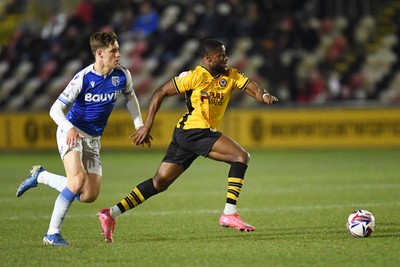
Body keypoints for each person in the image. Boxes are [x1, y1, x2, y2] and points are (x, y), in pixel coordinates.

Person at [97, 38, 279, 243]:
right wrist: (146, 125)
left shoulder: (231, 75)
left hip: (185, 135)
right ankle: (229, 213)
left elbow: (253, 89)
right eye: (221, 54)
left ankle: (111, 213)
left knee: (159, 183)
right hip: (194, 131)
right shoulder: (194, 76)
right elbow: (160, 92)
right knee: (241, 156)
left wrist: (264, 96)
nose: (226, 57)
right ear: (208, 58)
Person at [16, 31, 151, 246]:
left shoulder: (122, 75)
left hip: (93, 139)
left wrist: (139, 125)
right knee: (77, 181)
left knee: (89, 195)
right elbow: (55, 110)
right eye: (113, 51)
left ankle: (41, 177)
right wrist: (68, 128)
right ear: (99, 54)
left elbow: (131, 98)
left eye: (118, 49)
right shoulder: (83, 78)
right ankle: (52, 233)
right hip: (71, 132)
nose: (118, 54)